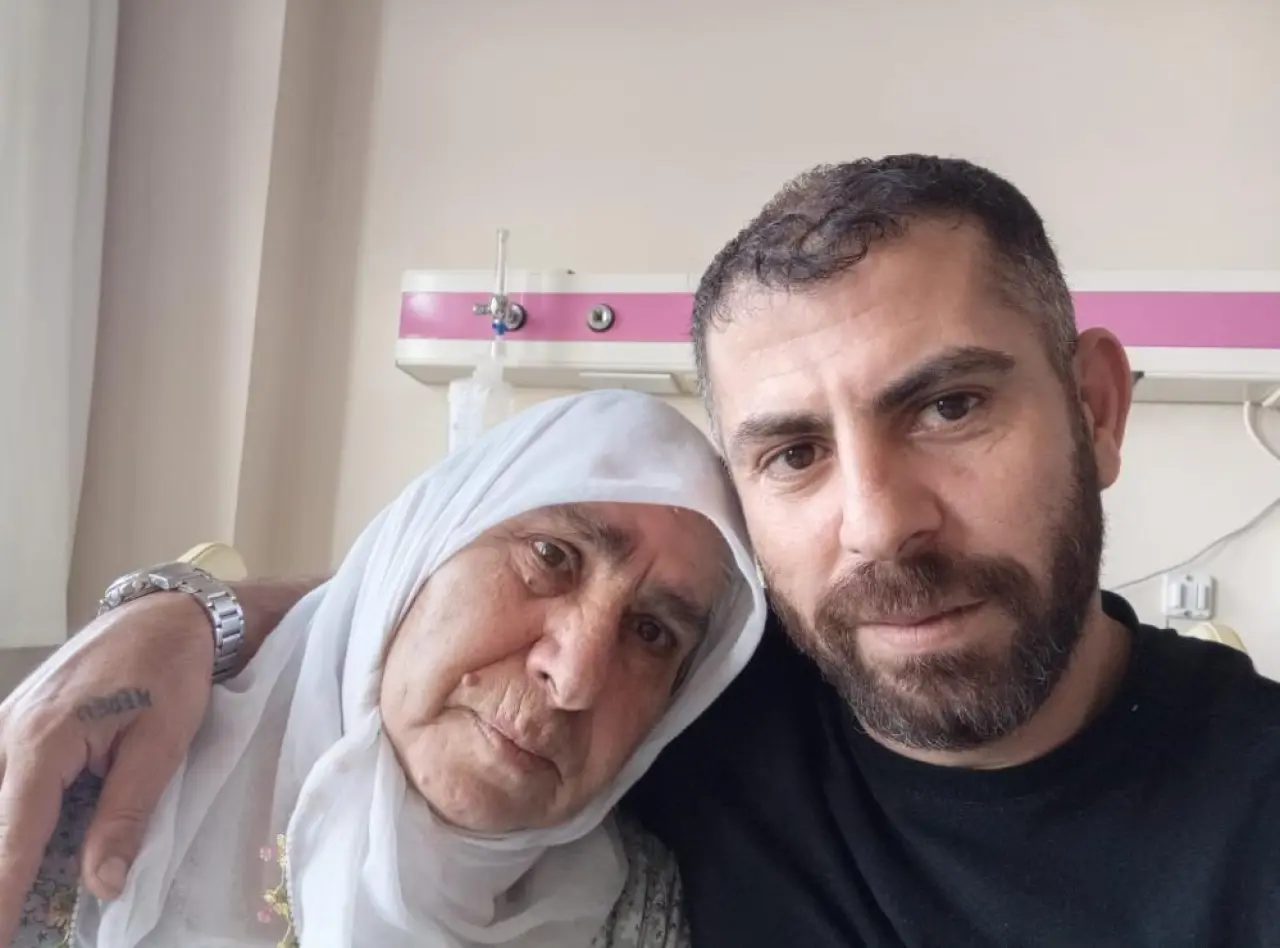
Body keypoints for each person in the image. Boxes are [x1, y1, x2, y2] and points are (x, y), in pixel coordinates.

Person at [3, 154, 1279, 947]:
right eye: (792, 453)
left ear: (1094, 410)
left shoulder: (1249, 818)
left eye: (948, 407)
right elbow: (400, 632)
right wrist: (181, 615)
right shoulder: (698, 714)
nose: (879, 523)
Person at [1, 388, 767, 947]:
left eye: (651, 633)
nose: (573, 678)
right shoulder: (85, 776)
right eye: (551, 557)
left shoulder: (637, 918)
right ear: (420, 551)